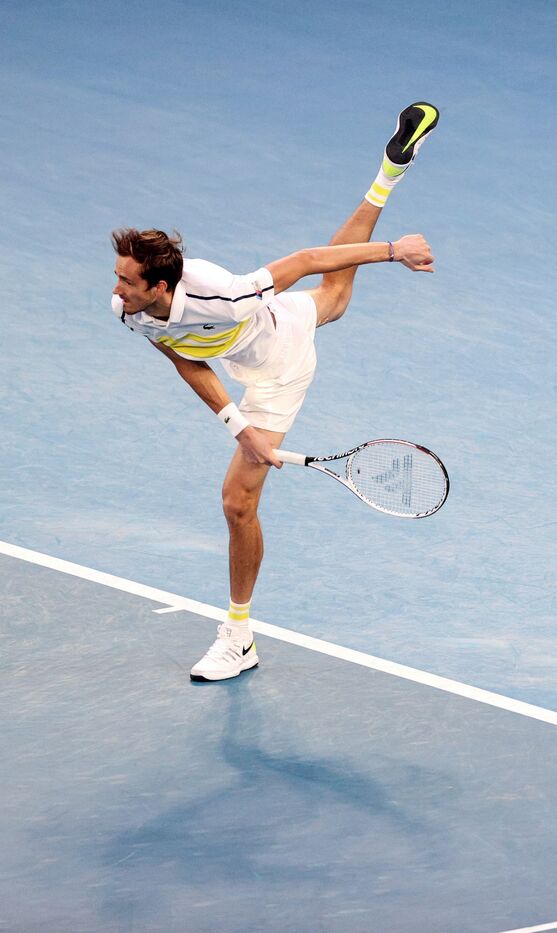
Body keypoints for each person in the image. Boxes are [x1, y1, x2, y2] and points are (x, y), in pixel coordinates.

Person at [110, 102, 440, 682]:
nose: (115, 289)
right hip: (252, 344)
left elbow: (307, 259)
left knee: (238, 501)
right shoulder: (133, 312)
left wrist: (395, 252)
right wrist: (240, 429)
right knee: (334, 298)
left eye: (125, 280)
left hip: (279, 361)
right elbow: (186, 361)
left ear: (159, 284)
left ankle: (238, 637)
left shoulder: (225, 293)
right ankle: (390, 169)